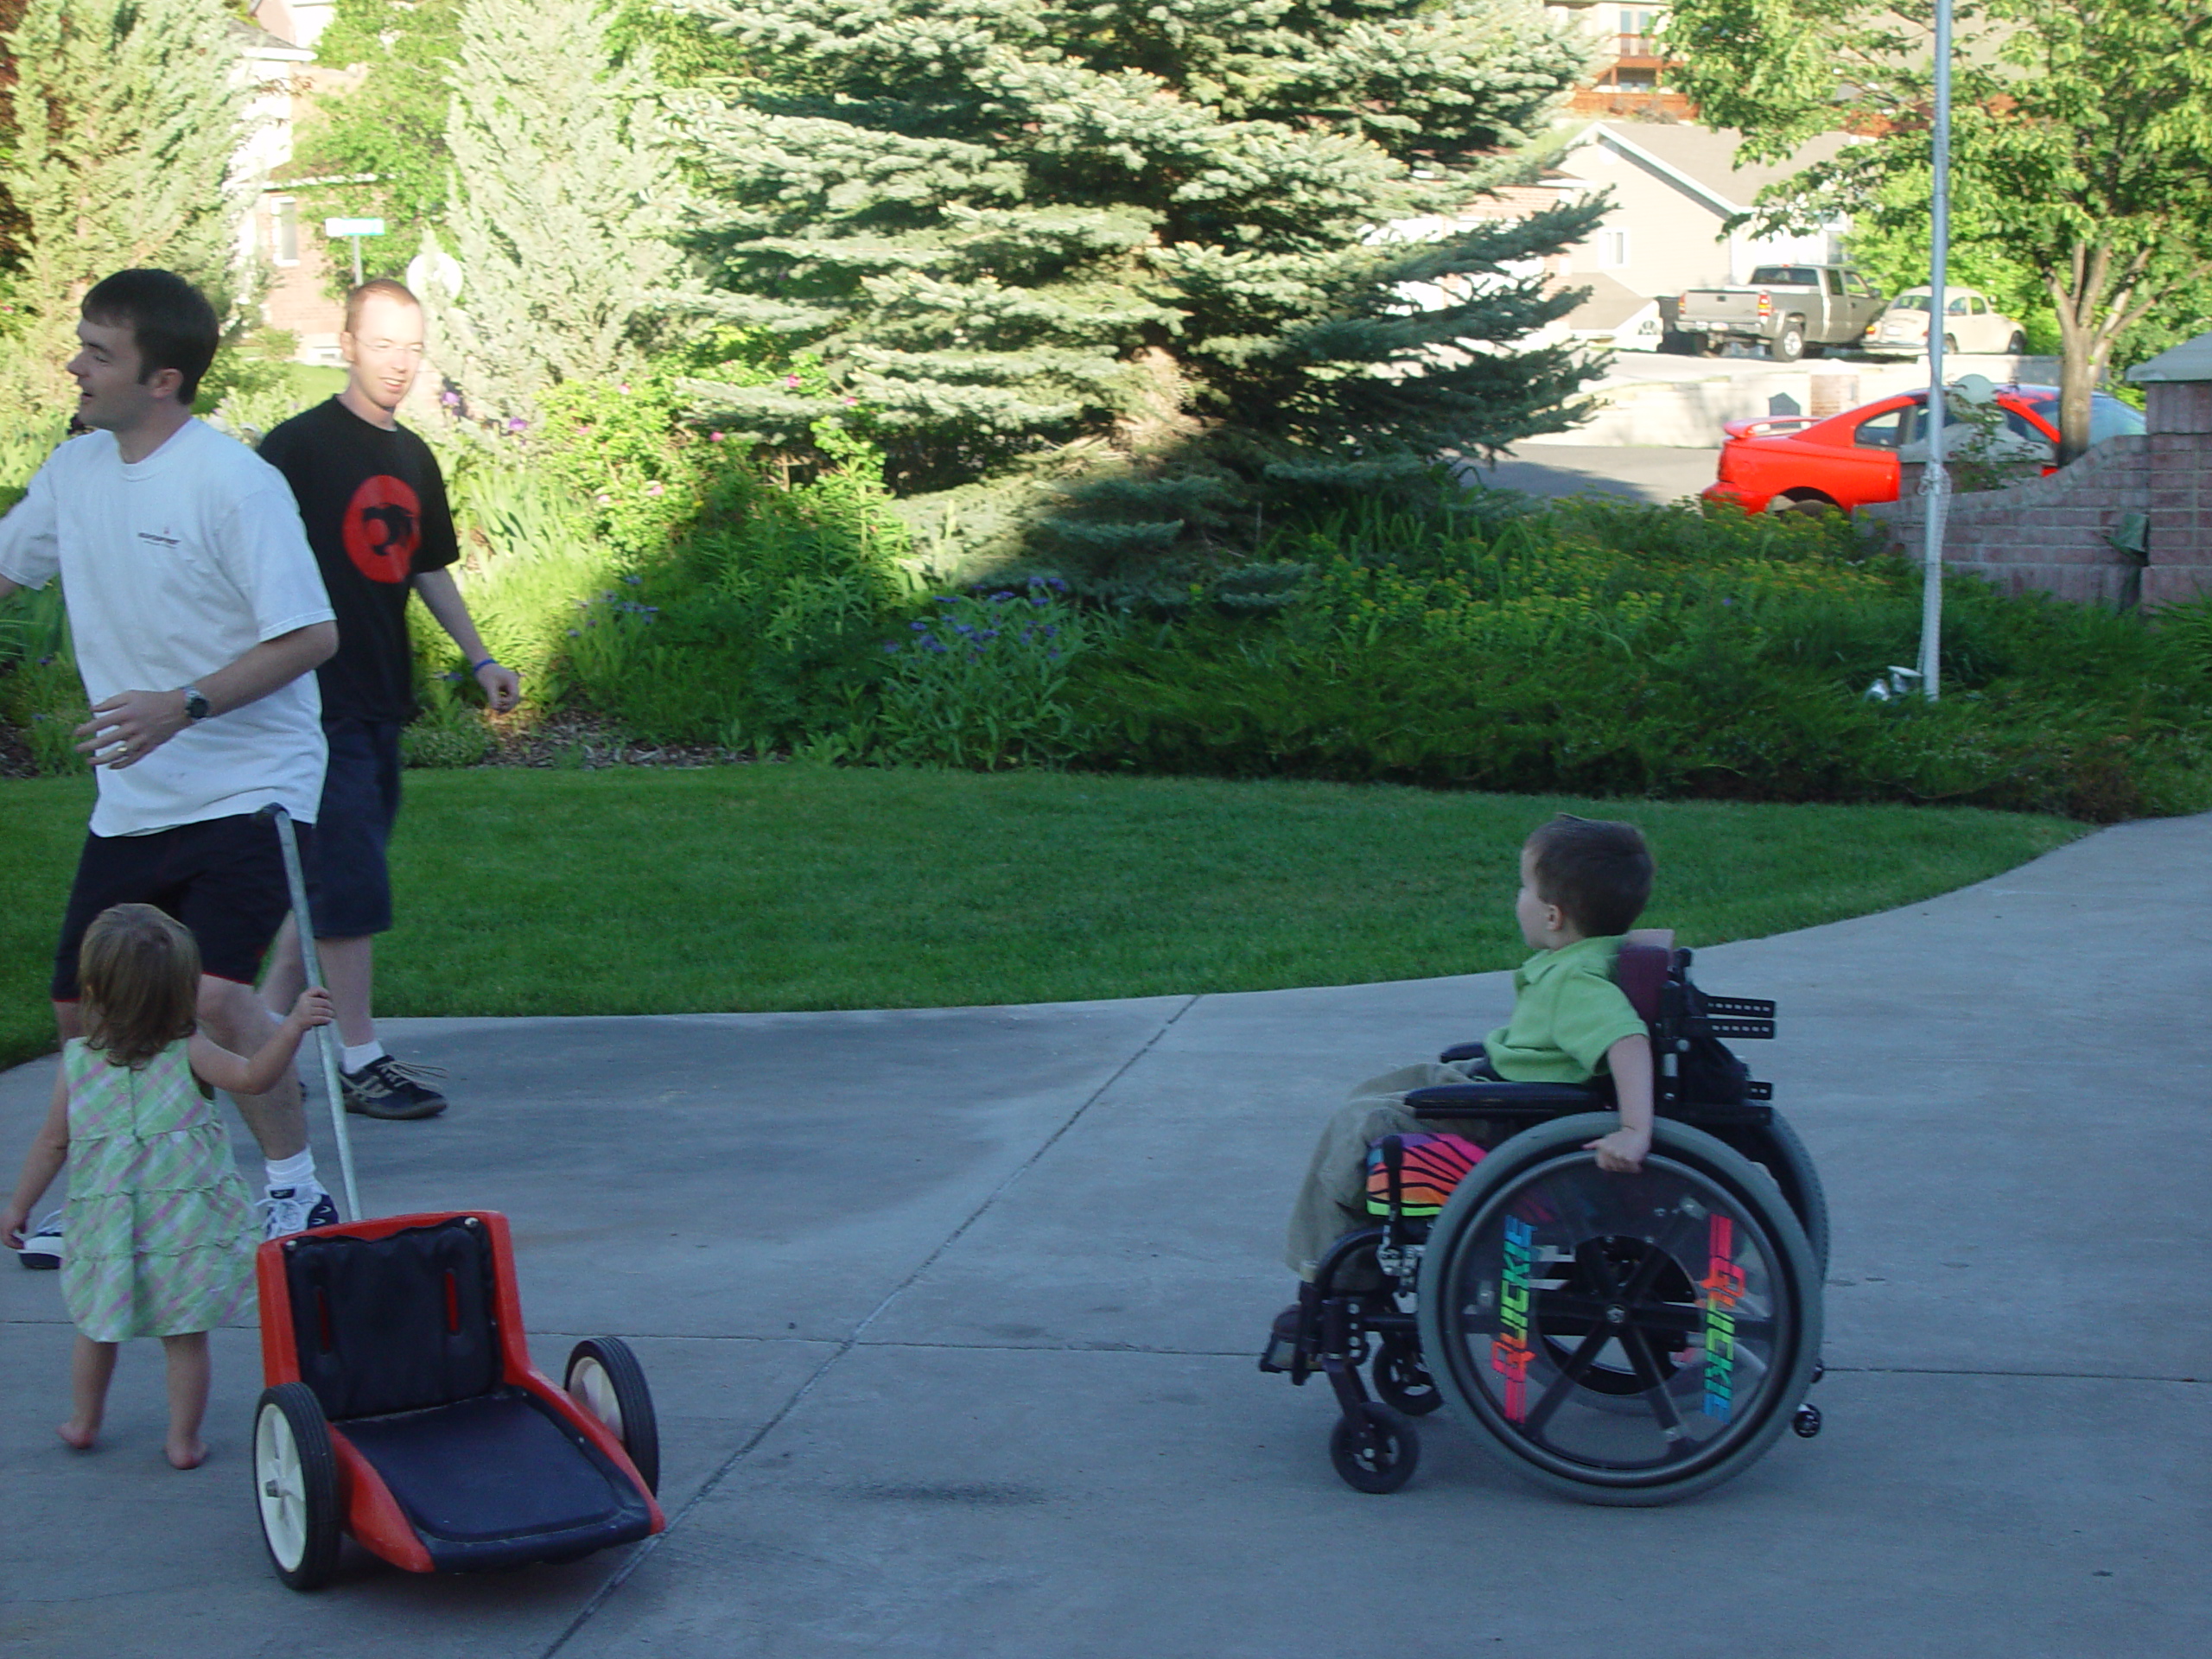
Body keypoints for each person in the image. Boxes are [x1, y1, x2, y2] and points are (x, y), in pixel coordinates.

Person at [0, 269, 342, 1238]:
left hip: (253, 785)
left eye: (99, 353)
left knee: (215, 998)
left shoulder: (234, 484)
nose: (76, 365)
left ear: (164, 380)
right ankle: (120, 1199)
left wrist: (184, 706)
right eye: (83, 345)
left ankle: (294, 1188)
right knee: (84, 1012)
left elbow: (311, 636)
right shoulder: (75, 474)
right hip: (136, 798)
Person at [255, 279, 520, 1121]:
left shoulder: (413, 457)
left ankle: (249, 1036)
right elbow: (243, 559)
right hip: (311, 697)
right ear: (346, 344)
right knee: (351, 881)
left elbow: (426, 565)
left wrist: (479, 657)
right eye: (383, 345)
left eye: (413, 347)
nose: (400, 364)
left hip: (378, 695)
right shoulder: (295, 448)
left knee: (330, 884)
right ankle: (359, 1058)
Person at [1271, 816, 1658, 1344]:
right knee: (1373, 1094)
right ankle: (1348, 1255)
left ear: (1552, 914)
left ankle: (1334, 1282)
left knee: (1361, 1123)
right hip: (1504, 1087)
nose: (1517, 897)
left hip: (1509, 1117)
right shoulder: (1593, 957)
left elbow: (1627, 1040)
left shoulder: (1579, 981)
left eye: (1524, 887)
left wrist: (1636, 1129)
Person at [1, 905, 334, 1468]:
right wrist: (294, 1025)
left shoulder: (80, 1061)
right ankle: (183, 1441)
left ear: (93, 989)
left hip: (107, 1231)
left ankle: (84, 1421)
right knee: (184, 1337)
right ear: (181, 990)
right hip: (182, 1232)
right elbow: (256, 1078)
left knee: (96, 1328)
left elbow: (52, 1143)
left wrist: (18, 1205)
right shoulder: (190, 1051)